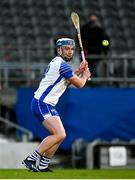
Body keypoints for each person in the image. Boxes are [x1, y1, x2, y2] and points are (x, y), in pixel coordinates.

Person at [22, 38, 91, 172]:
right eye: (66, 48)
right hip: (42, 103)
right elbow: (80, 84)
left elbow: (64, 81)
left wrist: (79, 71)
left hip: (46, 104)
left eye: (72, 49)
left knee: (61, 135)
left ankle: (43, 165)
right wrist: (85, 75)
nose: (70, 52)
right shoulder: (62, 65)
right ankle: (31, 159)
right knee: (59, 134)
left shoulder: (58, 63)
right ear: (59, 50)